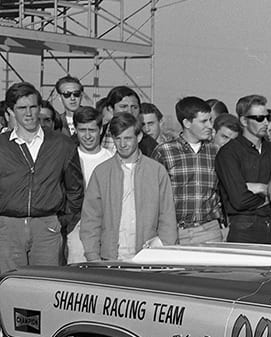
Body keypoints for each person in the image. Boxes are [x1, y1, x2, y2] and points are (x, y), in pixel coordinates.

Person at [0, 82, 83, 271]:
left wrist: (60, 222)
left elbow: (75, 189)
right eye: (22, 108)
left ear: (39, 108)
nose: (28, 113)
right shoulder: (2, 145)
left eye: (33, 107)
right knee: (8, 287)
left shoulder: (62, 144)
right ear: (11, 111)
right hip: (7, 227)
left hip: (47, 227)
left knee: (45, 286)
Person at [79, 112, 176, 261]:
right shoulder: (101, 172)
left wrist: (164, 247)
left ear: (139, 137)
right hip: (110, 258)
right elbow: (91, 218)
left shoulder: (156, 171)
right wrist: (92, 256)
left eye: (128, 138)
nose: (122, 144)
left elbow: (167, 216)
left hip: (148, 257)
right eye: (118, 139)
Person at [214, 94, 271, 244]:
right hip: (244, 231)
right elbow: (240, 200)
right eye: (259, 118)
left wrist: (263, 189)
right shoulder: (229, 153)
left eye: (267, 117)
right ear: (244, 120)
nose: (266, 122)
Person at [155, 96, 223, 245]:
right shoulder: (165, 151)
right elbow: (153, 195)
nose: (210, 126)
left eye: (210, 120)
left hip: (209, 230)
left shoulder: (215, 151)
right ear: (186, 123)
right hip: (176, 231)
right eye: (203, 121)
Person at [64, 104, 111, 261]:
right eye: (82, 130)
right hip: (76, 225)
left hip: (106, 225)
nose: (87, 136)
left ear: (101, 129)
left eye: (92, 130)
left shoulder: (111, 158)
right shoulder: (67, 158)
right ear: (75, 130)